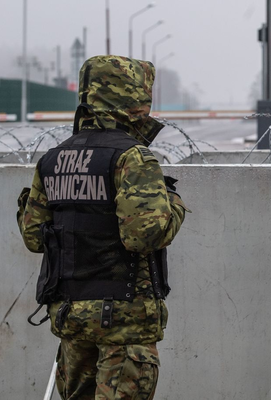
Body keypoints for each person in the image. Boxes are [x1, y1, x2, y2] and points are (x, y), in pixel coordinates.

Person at [17, 56, 187, 400]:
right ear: (135, 97)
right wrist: (174, 203)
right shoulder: (131, 157)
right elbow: (144, 236)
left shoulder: (53, 159)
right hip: (122, 320)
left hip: (72, 315)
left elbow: (34, 237)